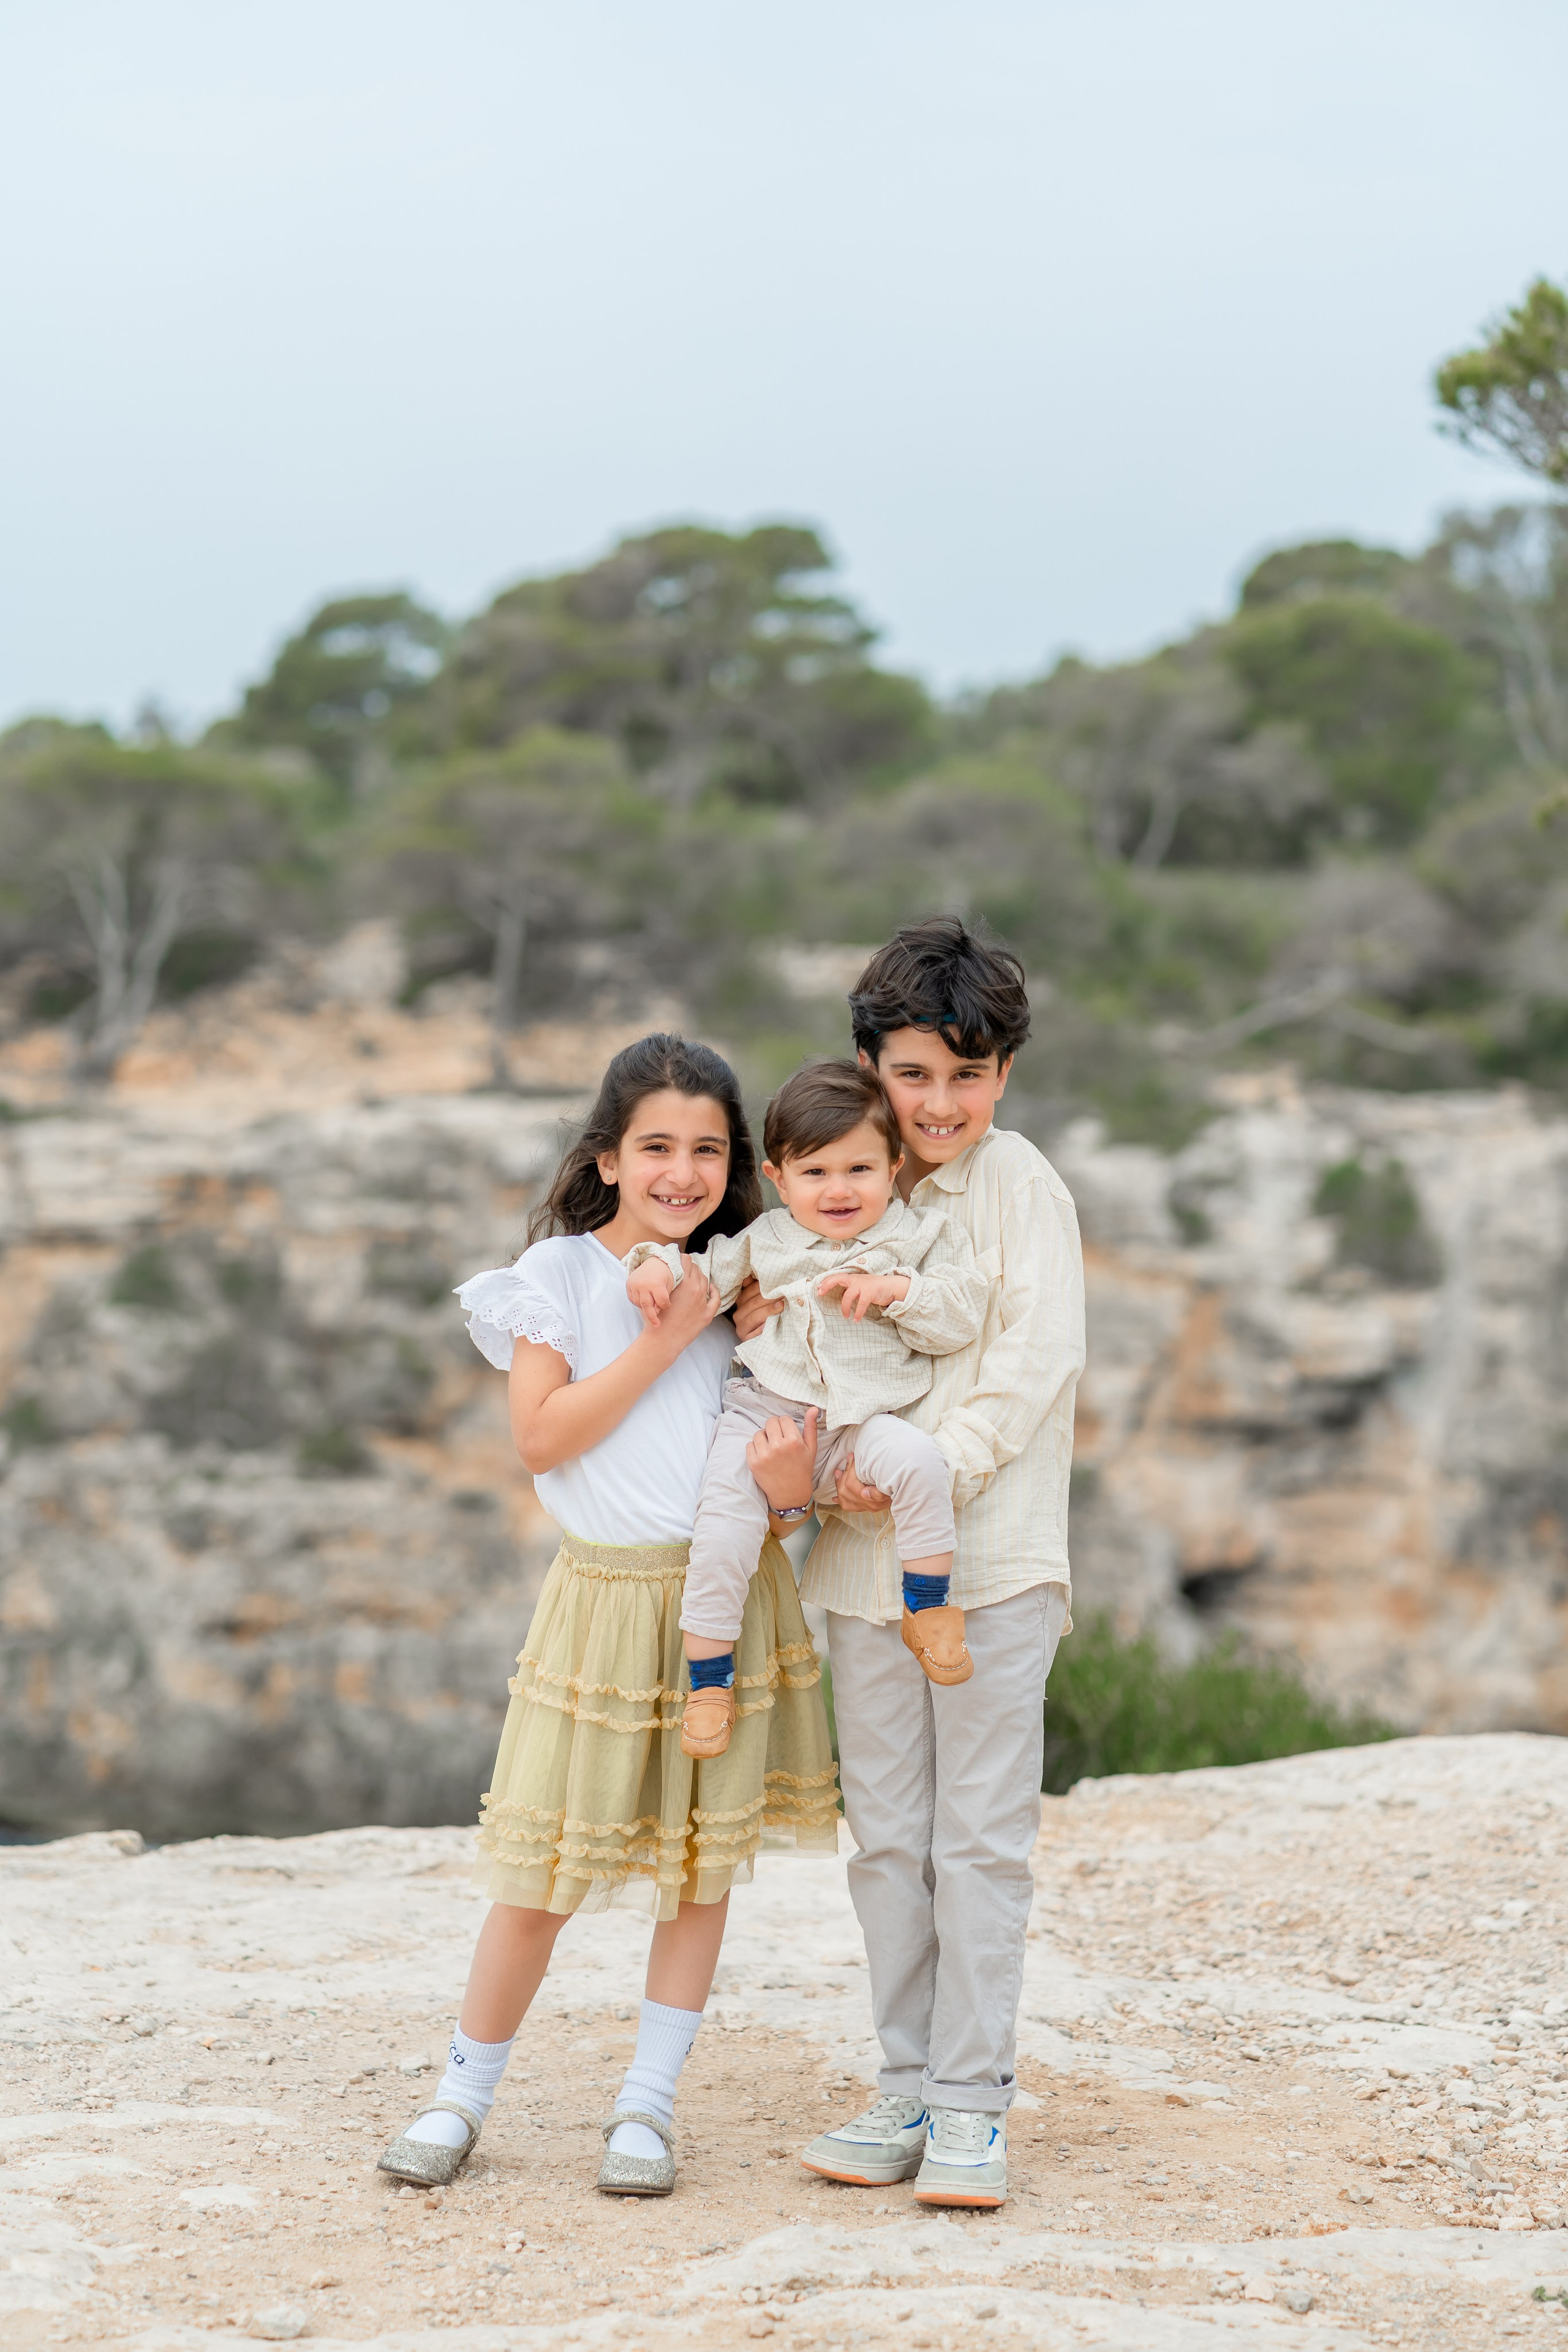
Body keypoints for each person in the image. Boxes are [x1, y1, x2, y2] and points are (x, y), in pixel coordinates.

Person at [376, 1034, 839, 2200]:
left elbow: (769, 1461)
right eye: (656, 1148)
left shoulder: (751, 1286)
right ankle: (460, 2097)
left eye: (707, 1151)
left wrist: (795, 1503)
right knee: (540, 1870)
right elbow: (543, 1437)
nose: (681, 1173)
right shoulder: (560, 1280)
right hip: (604, 1603)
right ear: (609, 1157)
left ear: (735, 1166)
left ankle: (646, 2106)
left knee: (698, 1873)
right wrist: (666, 1336)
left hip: (731, 1597)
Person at [736, 918, 1085, 2211]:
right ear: (870, 1066)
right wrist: (809, 1481)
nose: (940, 1102)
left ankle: (972, 2107)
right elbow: (782, 1365)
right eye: (914, 1073)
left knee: (978, 1838)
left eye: (967, 1072)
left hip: (989, 1563)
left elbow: (1030, 1370)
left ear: (1003, 1073)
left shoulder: (1020, 1188)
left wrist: (915, 1471)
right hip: (852, 1573)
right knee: (885, 1839)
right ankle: (903, 2081)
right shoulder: (836, 1188)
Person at [622, 1058, 990, 1760]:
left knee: (920, 1461)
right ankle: (707, 1683)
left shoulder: (923, 1238)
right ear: (777, 1177)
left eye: (859, 1170)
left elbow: (961, 1318)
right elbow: (701, 1273)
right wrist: (651, 1262)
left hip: (863, 1425)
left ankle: (929, 1607)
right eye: (815, 1173)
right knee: (723, 1526)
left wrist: (896, 1293)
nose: (838, 1189)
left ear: (893, 1166)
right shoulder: (766, 1240)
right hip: (765, 1415)